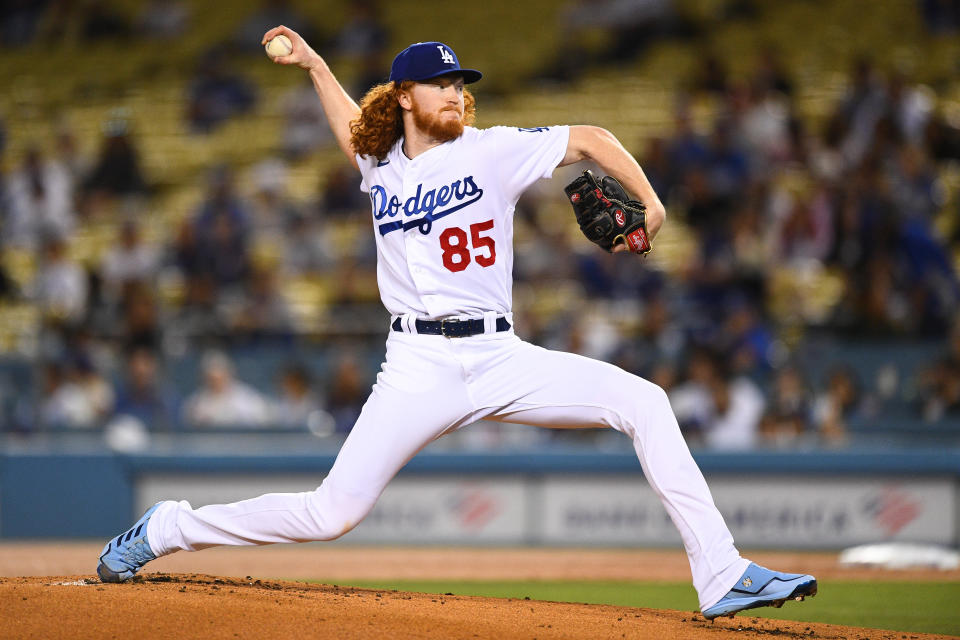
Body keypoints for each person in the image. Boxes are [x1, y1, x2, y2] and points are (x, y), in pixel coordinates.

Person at [97, 28, 817, 621]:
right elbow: (352, 126)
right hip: (416, 368)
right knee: (330, 514)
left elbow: (592, 138)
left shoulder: (492, 148)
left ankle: (722, 573)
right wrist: (316, 63)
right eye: (442, 83)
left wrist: (651, 207)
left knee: (645, 402)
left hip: (499, 354)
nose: (457, 92)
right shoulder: (378, 164)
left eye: (460, 83)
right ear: (406, 97)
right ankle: (168, 528)